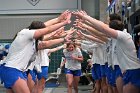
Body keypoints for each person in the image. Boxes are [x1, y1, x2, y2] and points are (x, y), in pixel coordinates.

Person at [0, 10, 71, 93]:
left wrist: (58, 20)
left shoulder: (32, 41)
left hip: (15, 70)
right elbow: (46, 29)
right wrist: (64, 22)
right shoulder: (25, 33)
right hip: (12, 69)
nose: (43, 34)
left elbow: (46, 40)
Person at [73, 10, 140, 93]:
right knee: (112, 87)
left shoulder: (124, 36)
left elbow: (103, 29)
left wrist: (86, 18)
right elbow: (98, 33)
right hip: (123, 70)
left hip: (131, 70)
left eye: (108, 22)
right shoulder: (112, 38)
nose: (106, 24)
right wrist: (85, 24)